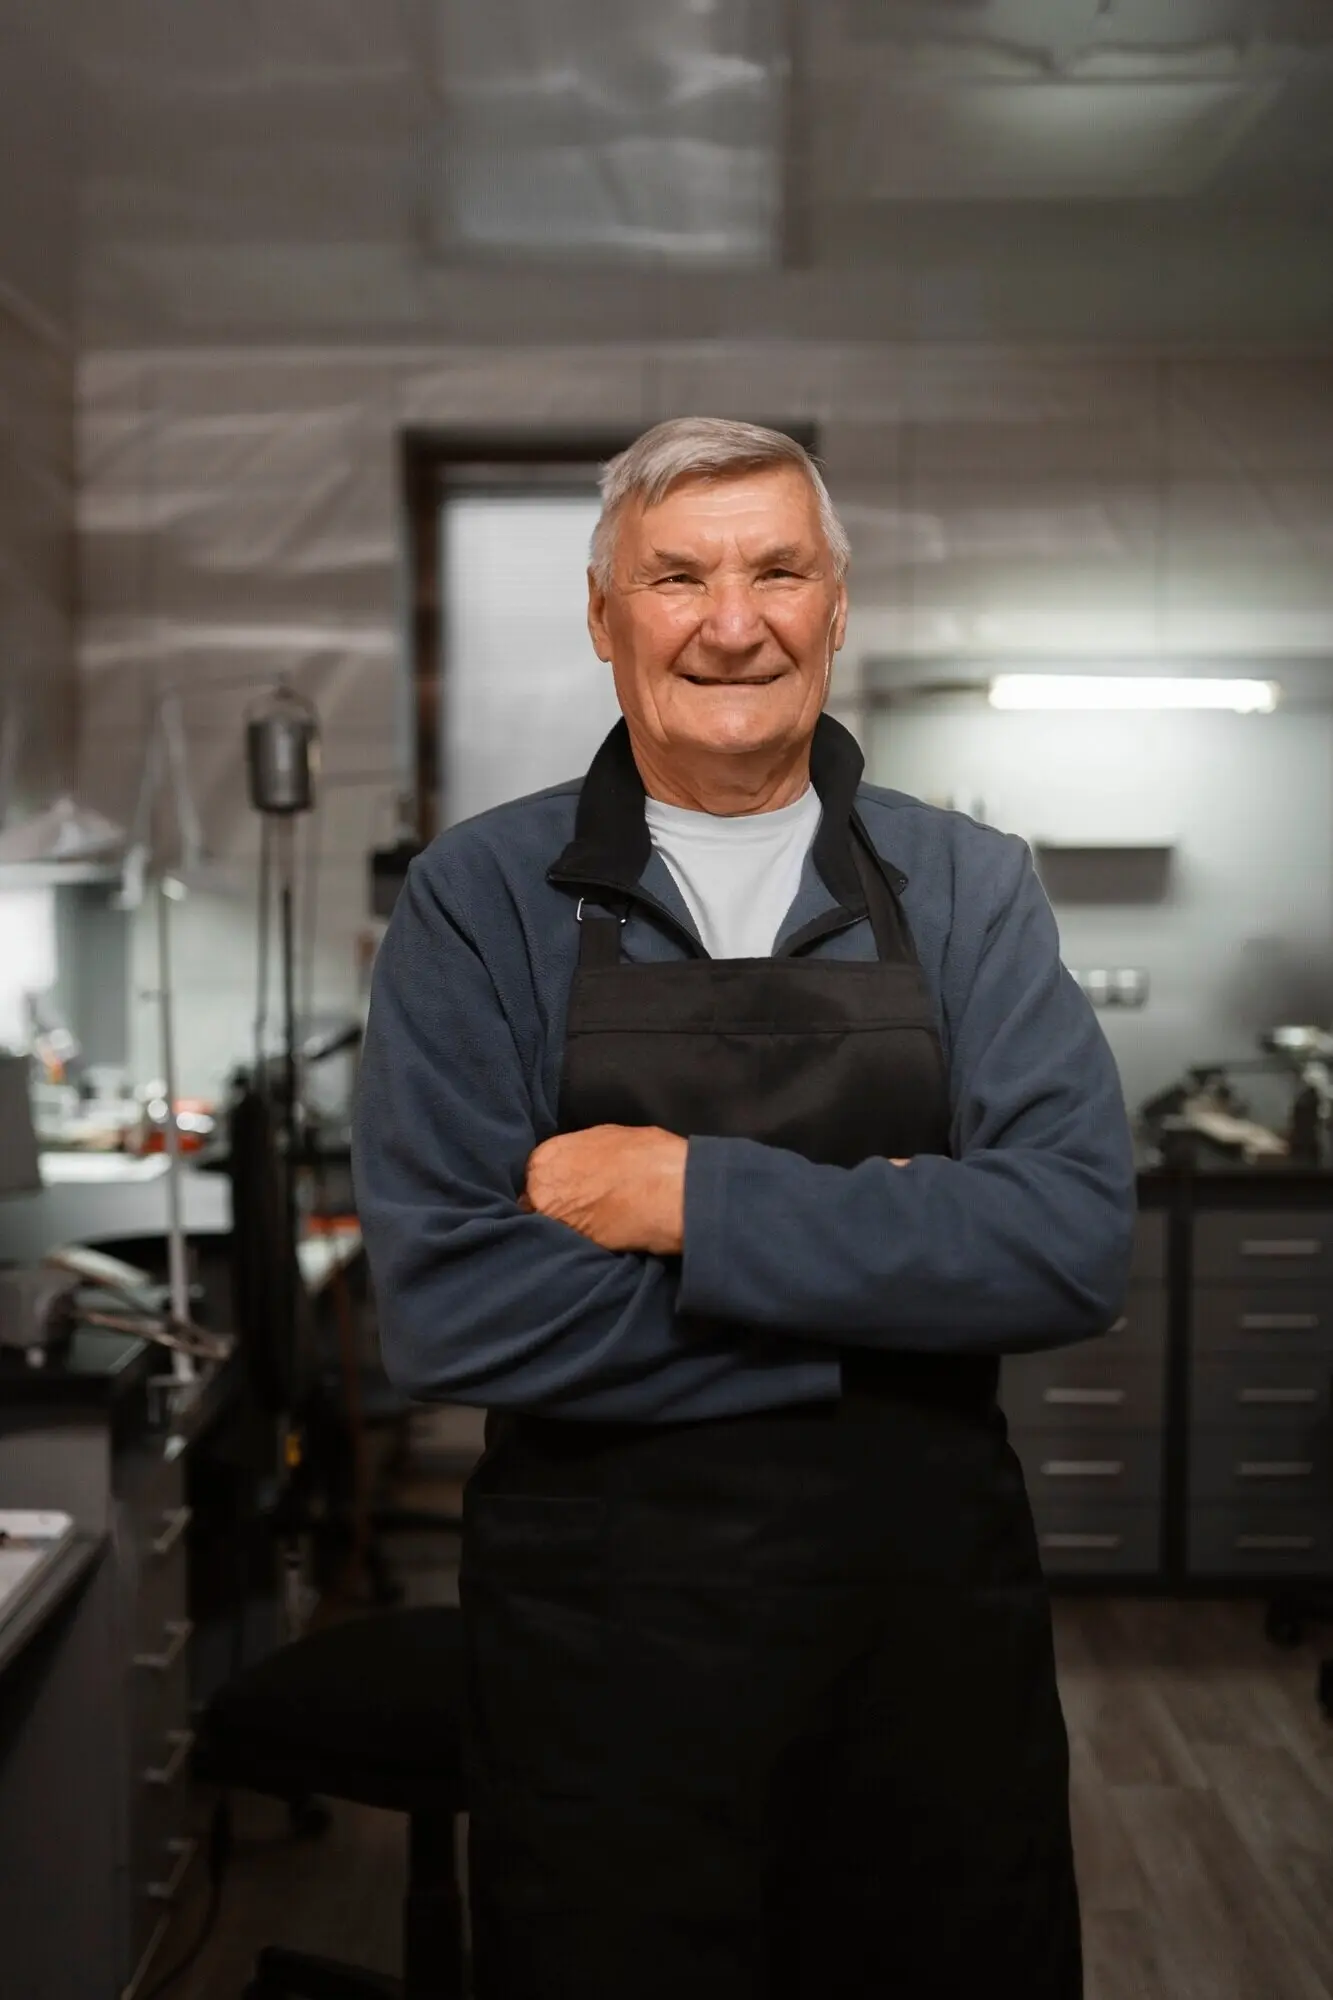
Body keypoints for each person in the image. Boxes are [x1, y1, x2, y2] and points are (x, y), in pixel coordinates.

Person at [352, 417, 1135, 1999]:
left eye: (779, 569)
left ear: (836, 608)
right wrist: (892, 1287)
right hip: (604, 1659)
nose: (733, 620)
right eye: (678, 575)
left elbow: (1067, 1242)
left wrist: (689, 1195)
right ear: (605, 618)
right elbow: (451, 1303)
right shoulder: (481, 899)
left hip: (927, 1654)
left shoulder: (968, 885)